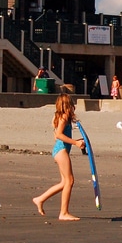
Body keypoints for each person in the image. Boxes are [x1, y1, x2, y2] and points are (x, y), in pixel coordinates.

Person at [33, 92, 85, 221]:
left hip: (60, 150)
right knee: (70, 181)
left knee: (64, 182)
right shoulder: (63, 117)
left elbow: (59, 135)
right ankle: (64, 213)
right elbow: (59, 135)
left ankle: (40, 199)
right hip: (61, 151)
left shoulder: (61, 117)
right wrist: (75, 143)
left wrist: (77, 141)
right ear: (67, 105)